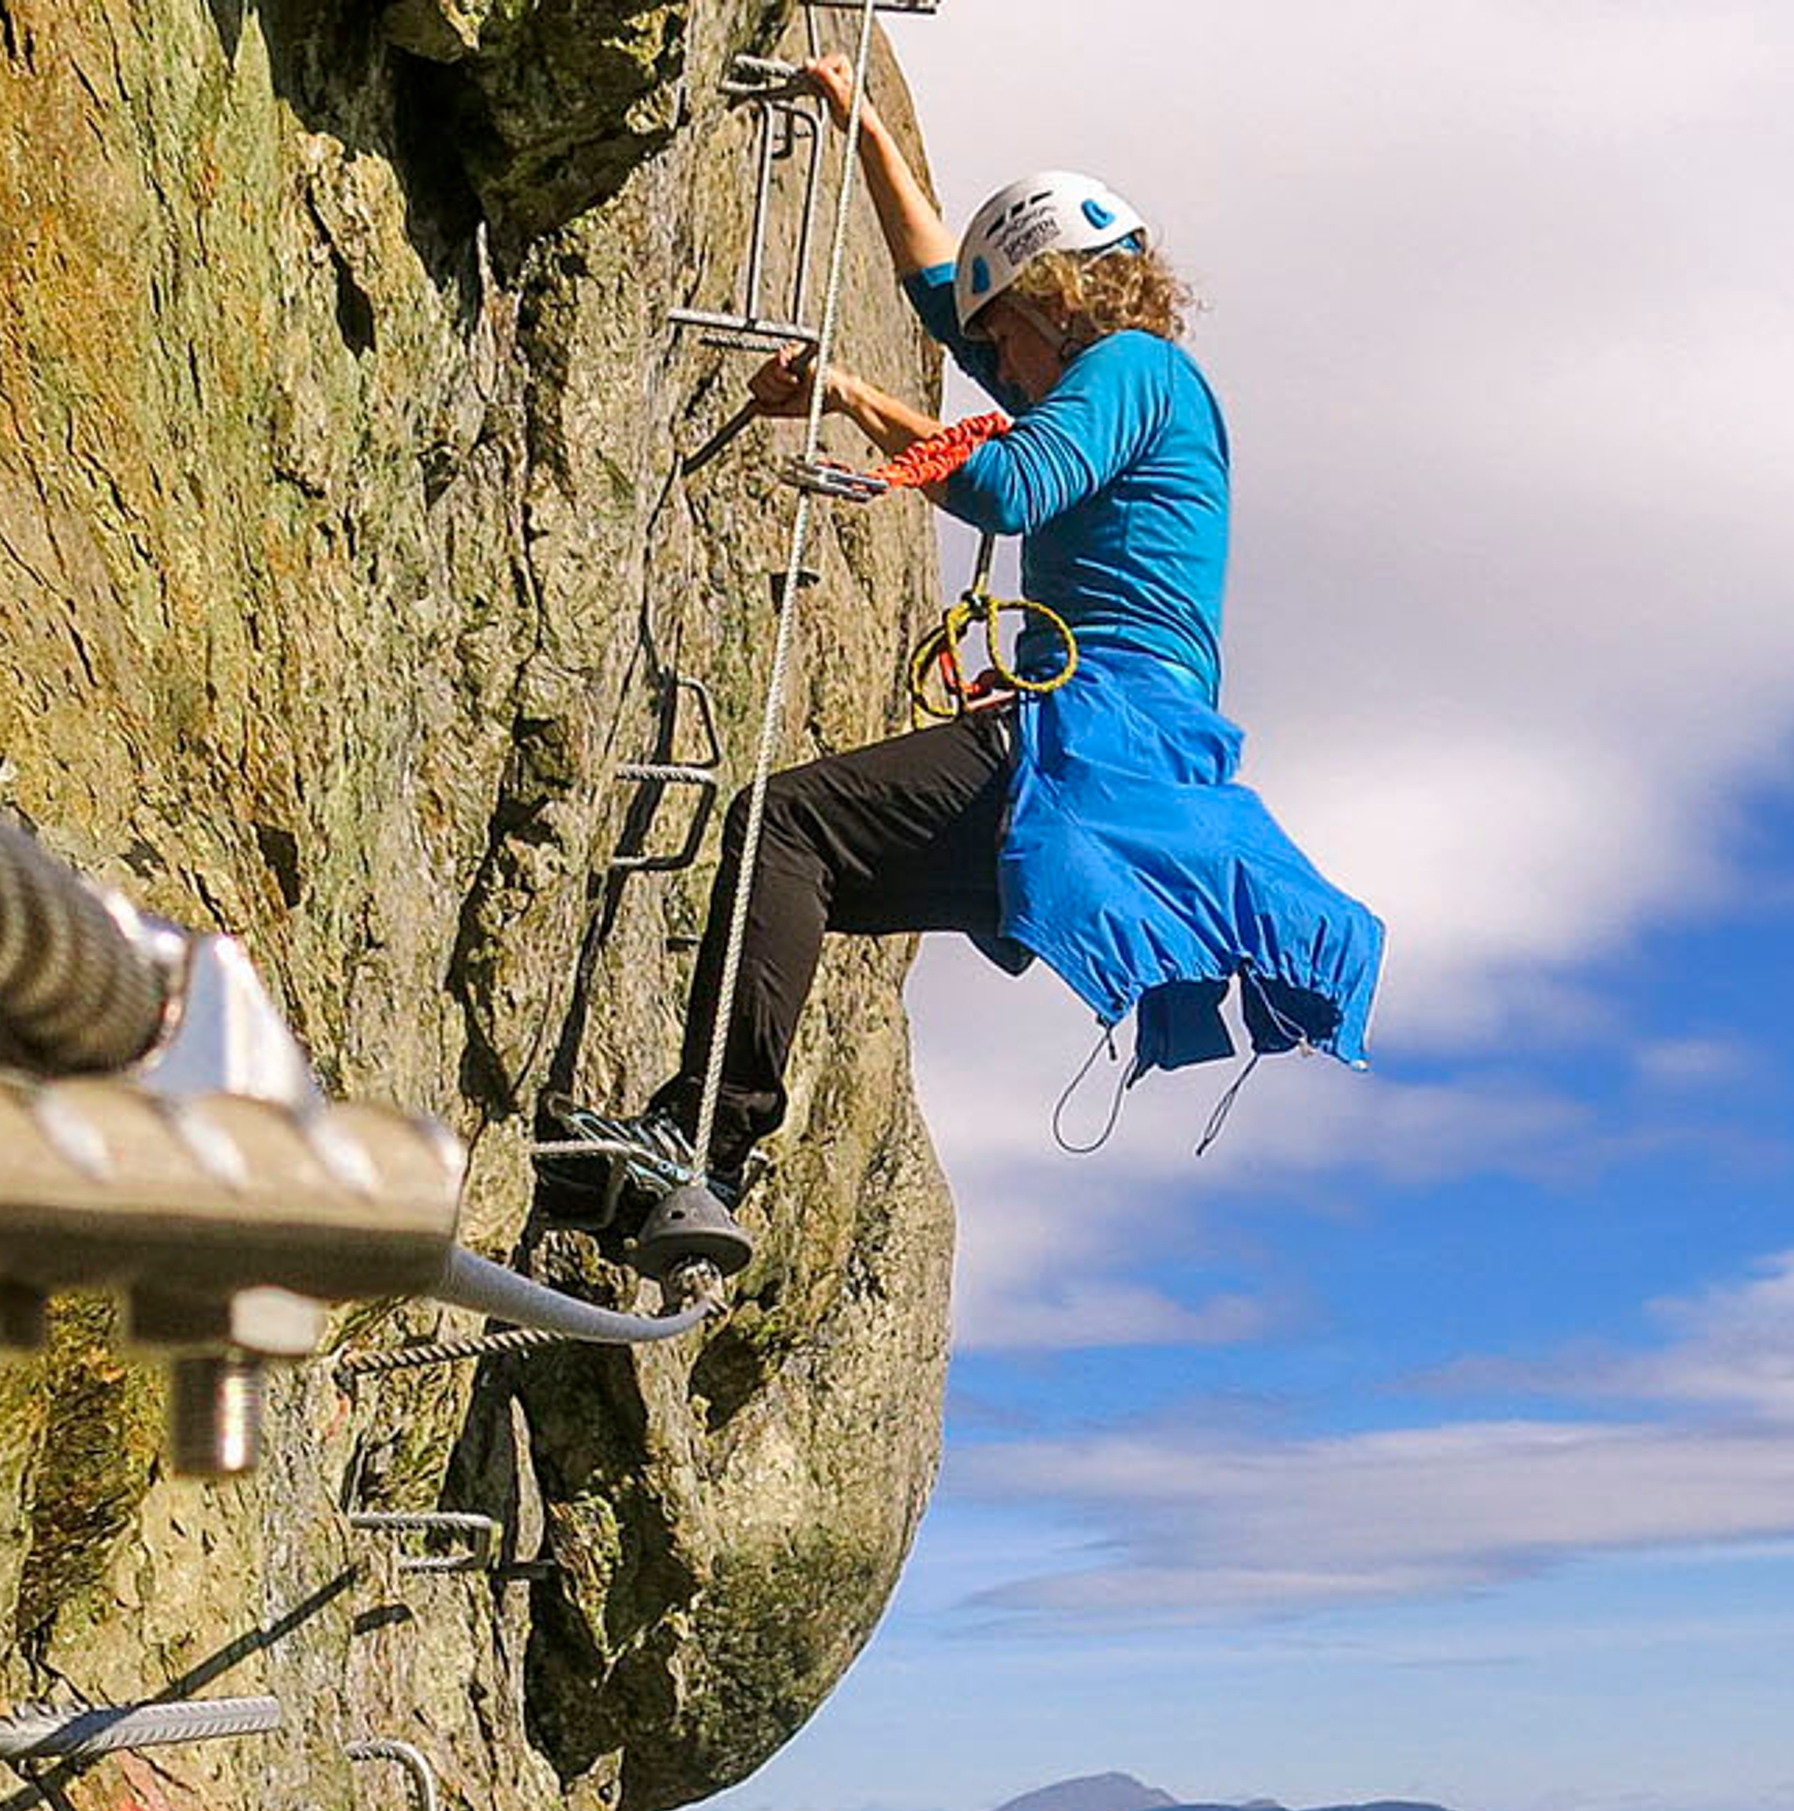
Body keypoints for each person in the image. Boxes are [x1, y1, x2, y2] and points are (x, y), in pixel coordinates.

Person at [549, 55, 1382, 1228]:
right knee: (804, 865)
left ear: (1050, 303)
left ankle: (701, 1144)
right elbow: (944, 288)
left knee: (784, 824)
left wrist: (850, 395)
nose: (998, 368)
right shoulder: (1110, 366)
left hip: (1095, 736)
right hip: (1121, 750)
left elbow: (1008, 483)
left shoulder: (1131, 368)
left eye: (1005, 344)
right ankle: (688, 1174)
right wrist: (859, 124)